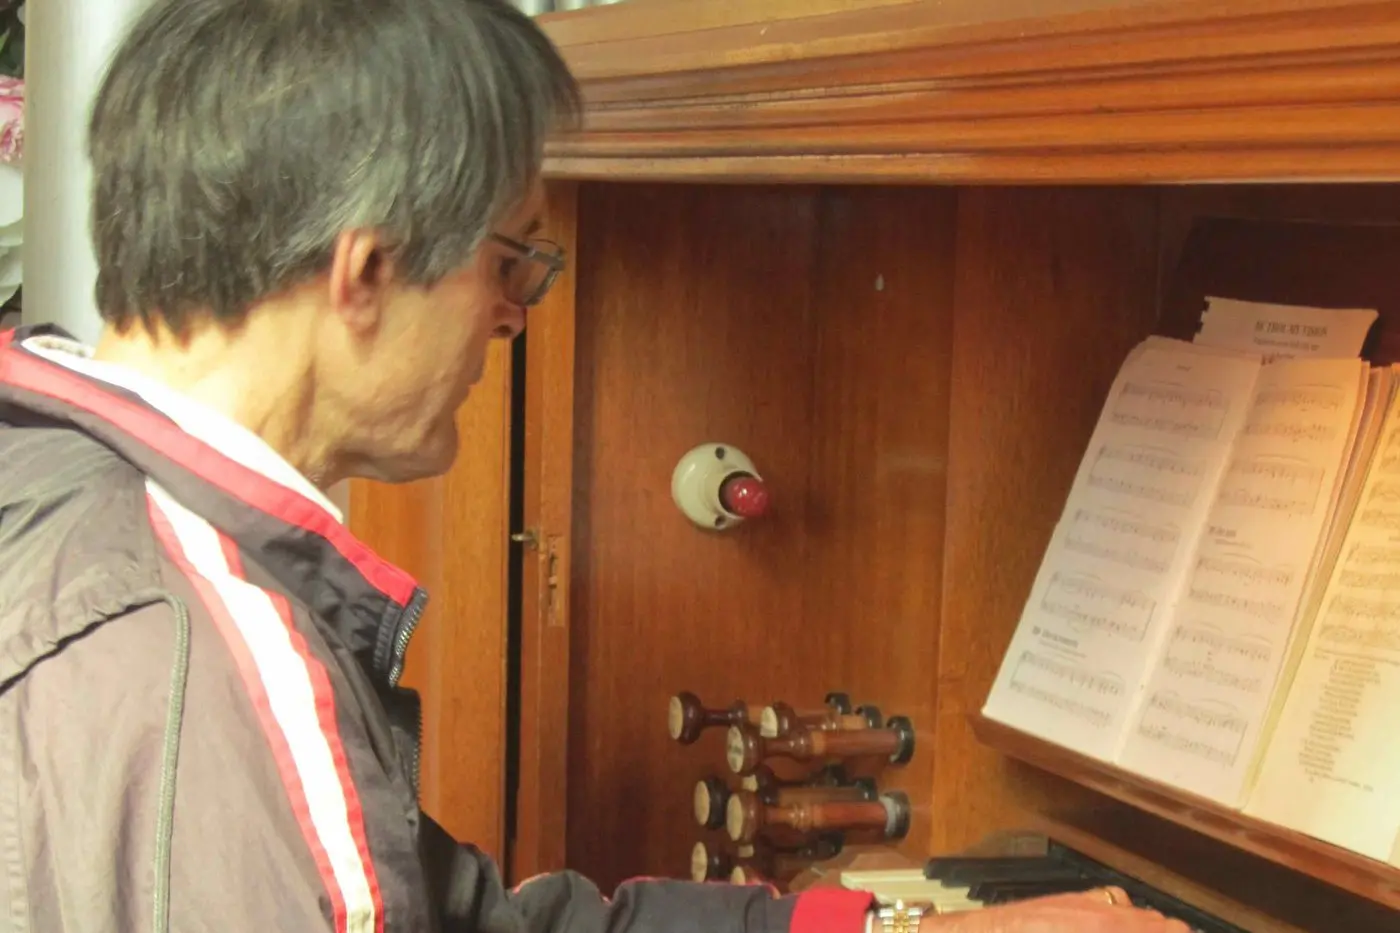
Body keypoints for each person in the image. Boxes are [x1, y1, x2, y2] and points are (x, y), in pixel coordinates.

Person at [0, 1, 1191, 932]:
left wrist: (884, 927)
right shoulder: (201, 667)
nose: (513, 318)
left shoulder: (52, 467)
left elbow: (461, 922)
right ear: (361, 272)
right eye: (511, 263)